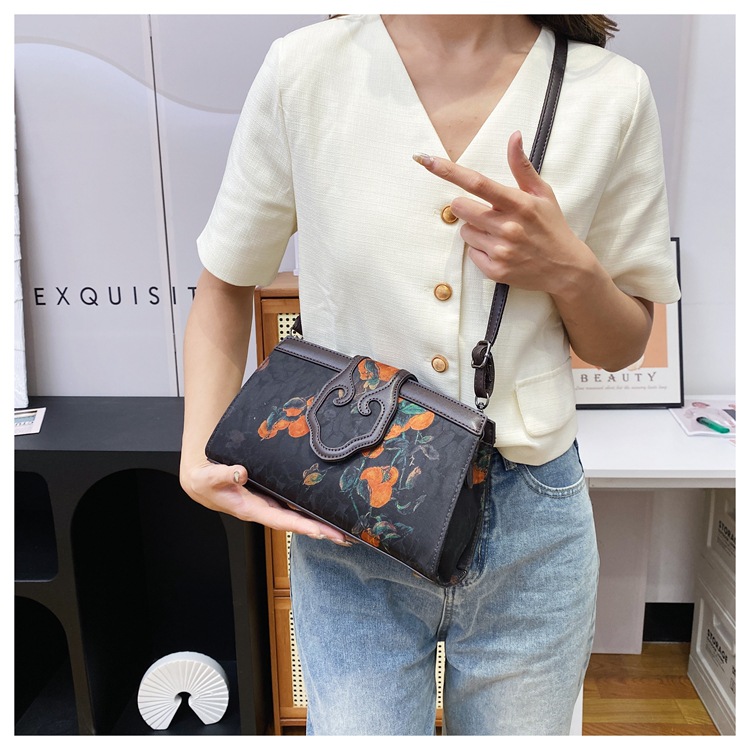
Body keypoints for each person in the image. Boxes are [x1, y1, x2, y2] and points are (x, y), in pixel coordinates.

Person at [180, 14, 681, 735]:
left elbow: (622, 345)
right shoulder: (306, 70)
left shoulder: (611, 93)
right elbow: (226, 281)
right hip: (352, 514)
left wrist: (569, 270)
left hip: (533, 527)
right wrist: (198, 449)